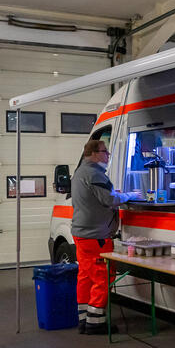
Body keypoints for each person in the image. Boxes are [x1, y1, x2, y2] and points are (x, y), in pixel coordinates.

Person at [71, 139, 140, 335]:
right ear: (93, 153)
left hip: (82, 234)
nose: (108, 155)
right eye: (104, 151)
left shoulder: (80, 173)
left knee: (85, 276)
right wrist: (129, 195)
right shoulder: (94, 173)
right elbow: (109, 199)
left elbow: (97, 197)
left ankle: (84, 319)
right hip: (96, 236)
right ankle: (96, 322)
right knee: (102, 275)